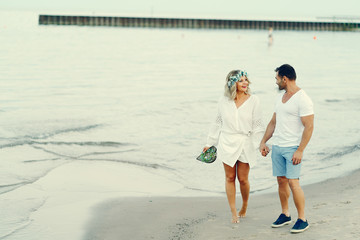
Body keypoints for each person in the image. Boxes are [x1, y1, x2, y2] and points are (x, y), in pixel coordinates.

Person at [203, 70, 263, 223]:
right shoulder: (223, 101)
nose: (245, 83)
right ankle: (233, 212)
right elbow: (217, 122)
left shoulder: (254, 100)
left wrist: (258, 144)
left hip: (245, 142)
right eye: (241, 80)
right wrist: (209, 143)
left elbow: (258, 125)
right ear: (232, 83)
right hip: (227, 141)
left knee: (243, 179)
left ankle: (244, 205)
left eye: (246, 80)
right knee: (230, 177)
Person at [259, 64, 314, 233]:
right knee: (281, 181)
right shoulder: (280, 98)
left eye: (277, 79)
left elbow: (309, 126)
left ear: (285, 78)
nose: (276, 82)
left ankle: (302, 219)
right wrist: (263, 142)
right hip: (278, 147)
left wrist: (300, 150)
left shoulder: (303, 98)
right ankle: (285, 214)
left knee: (293, 183)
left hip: (292, 148)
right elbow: (273, 122)